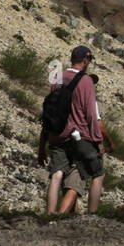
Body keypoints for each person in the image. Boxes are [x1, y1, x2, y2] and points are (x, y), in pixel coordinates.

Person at [44, 46, 111, 214]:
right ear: (86, 59)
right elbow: (90, 114)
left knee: (57, 173)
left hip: (57, 133)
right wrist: (98, 140)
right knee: (98, 173)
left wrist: (44, 140)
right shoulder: (86, 80)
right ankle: (92, 213)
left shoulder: (58, 77)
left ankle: (50, 213)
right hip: (79, 136)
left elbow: (49, 109)